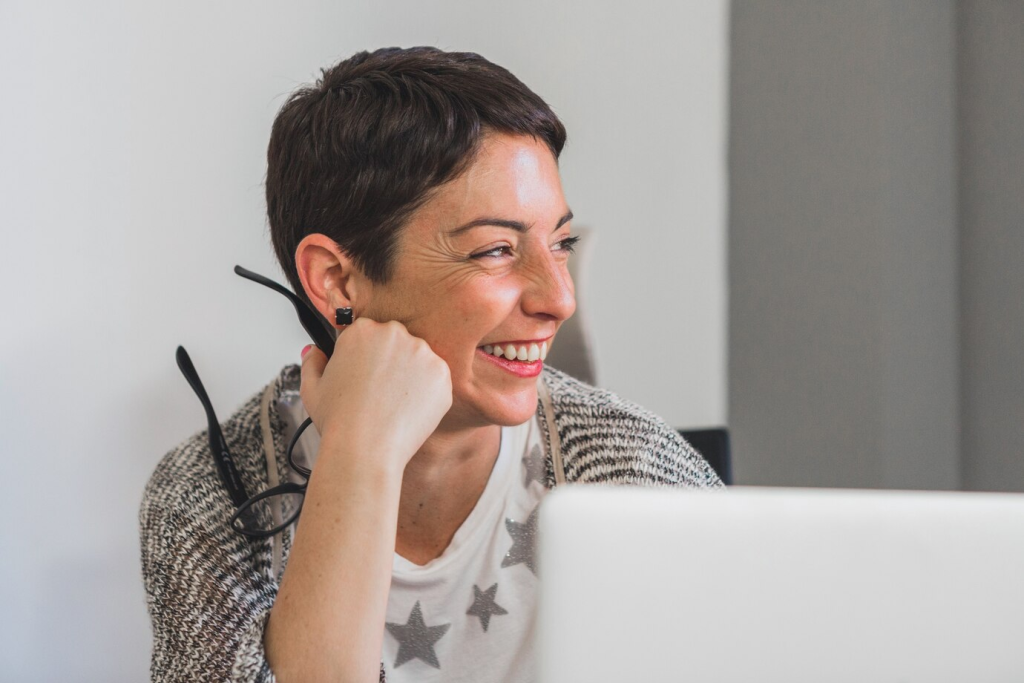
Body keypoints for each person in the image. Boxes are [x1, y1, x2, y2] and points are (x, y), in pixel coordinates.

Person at [139, 46, 723, 683]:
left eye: (561, 243)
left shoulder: (636, 472)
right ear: (336, 279)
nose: (559, 299)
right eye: (496, 250)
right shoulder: (205, 502)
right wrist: (363, 452)